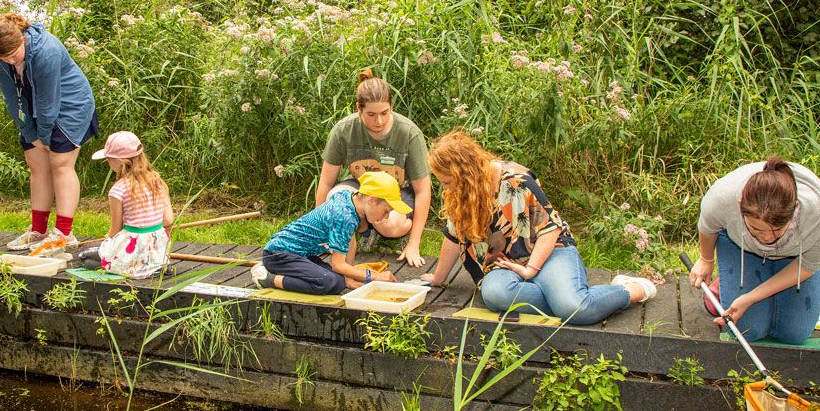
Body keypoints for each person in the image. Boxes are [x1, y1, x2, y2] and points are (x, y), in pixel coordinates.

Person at [420, 131, 656, 324]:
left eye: (448, 182)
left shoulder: (516, 181)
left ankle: (631, 290)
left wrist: (530, 271)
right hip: (505, 263)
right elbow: (453, 235)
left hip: (549, 251)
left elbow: (550, 229)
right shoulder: (460, 192)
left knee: (575, 309)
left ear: (466, 174)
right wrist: (439, 278)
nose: (446, 189)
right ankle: (561, 296)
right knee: (493, 294)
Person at [689, 157, 820, 344]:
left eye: (776, 230)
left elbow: (808, 265)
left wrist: (751, 297)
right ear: (739, 204)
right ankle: (724, 286)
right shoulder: (723, 196)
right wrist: (706, 259)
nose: (767, 238)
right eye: (757, 229)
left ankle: (754, 283)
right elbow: (708, 226)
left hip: (797, 258)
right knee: (747, 331)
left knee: (794, 334)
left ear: (795, 210)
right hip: (741, 247)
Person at [0, 12, 97, 252]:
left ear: (22, 40)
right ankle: (38, 230)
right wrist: (29, 133)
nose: (9, 62)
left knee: (59, 162)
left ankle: (64, 233)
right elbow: (11, 98)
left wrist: (45, 138)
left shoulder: (47, 50)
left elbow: (49, 102)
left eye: (13, 55)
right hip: (33, 106)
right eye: (2, 58)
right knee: (35, 161)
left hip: (70, 104)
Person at [316, 69, 431, 268]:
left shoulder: (409, 133)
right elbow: (326, 182)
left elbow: (423, 190)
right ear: (358, 109)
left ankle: (394, 232)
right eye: (371, 114)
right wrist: (320, 230)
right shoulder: (343, 130)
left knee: (390, 225)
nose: (378, 121)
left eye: (384, 113)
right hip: (362, 188)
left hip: (397, 192)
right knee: (333, 199)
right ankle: (363, 230)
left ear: (391, 108)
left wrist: (414, 244)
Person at [252, 171, 408, 295]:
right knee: (328, 282)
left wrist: (349, 275)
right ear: (372, 200)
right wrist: (375, 276)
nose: (386, 217)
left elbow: (349, 239)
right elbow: (338, 264)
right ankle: (268, 278)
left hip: (300, 255)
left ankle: (278, 272)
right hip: (279, 255)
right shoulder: (344, 216)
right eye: (386, 211)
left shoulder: (349, 199)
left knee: (339, 281)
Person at [79, 131, 174, 279]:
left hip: (133, 248)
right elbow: (168, 221)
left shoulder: (118, 189)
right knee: (91, 254)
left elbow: (115, 229)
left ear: (120, 161)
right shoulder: (157, 181)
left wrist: (107, 238)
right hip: (158, 248)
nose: (108, 163)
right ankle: (155, 266)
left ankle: (134, 266)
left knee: (85, 257)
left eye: (109, 159)